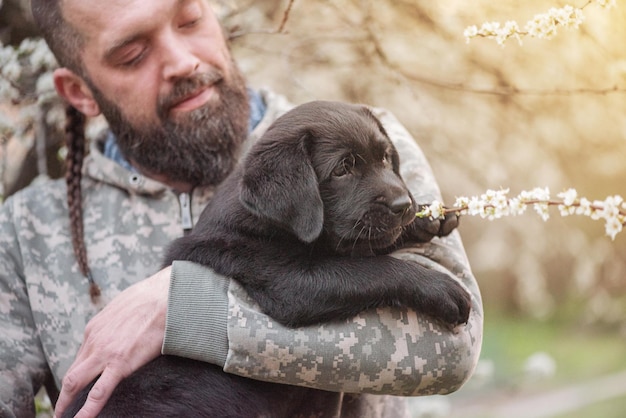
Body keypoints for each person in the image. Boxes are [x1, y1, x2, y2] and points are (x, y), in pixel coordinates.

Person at [0, 0, 483, 417]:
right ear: (80, 92)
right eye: (133, 54)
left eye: (189, 20)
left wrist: (188, 312)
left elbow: (450, 344)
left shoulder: (357, 132)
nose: (182, 61)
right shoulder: (26, 231)